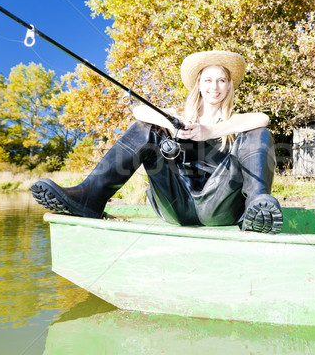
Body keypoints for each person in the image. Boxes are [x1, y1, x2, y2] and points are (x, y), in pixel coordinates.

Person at [31, 50, 282, 233]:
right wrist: (173, 122)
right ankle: (90, 196)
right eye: (208, 80)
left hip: (219, 208)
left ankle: (255, 208)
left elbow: (263, 118)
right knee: (146, 127)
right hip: (177, 204)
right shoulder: (179, 116)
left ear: (229, 87)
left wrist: (209, 131)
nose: (214, 87)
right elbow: (139, 112)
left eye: (221, 81)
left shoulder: (236, 122)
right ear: (199, 85)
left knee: (260, 132)